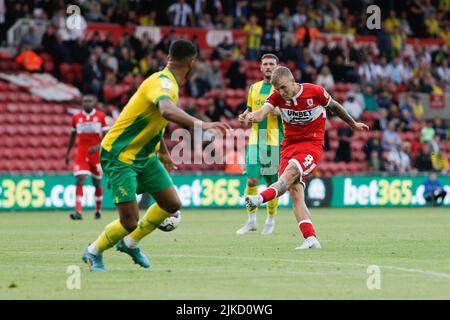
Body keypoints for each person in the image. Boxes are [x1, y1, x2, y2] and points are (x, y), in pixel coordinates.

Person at [81, 39, 230, 272]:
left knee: (171, 204)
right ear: (192, 61)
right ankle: (93, 252)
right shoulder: (163, 83)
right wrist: (203, 124)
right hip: (120, 155)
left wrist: (163, 151)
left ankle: (130, 244)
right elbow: (166, 111)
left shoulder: (165, 82)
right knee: (129, 221)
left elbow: (154, 121)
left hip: (145, 155)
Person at [242, 66, 369, 250]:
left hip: (311, 145)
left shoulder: (315, 92)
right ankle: (311, 239)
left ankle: (259, 199)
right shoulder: (277, 96)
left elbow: (335, 107)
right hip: (288, 146)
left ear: (293, 81)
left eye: (284, 87)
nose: (282, 93)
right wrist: (254, 115)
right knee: (294, 193)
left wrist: (353, 124)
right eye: (279, 89)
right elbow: (263, 112)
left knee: (288, 175)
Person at [236, 53, 283, 236]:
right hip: (256, 140)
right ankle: (251, 221)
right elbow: (249, 109)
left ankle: (270, 220)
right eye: (266, 64)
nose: (269, 67)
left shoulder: (282, 89)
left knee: (272, 183)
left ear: (277, 67)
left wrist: (275, 111)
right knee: (252, 180)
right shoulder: (254, 88)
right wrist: (244, 115)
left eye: (272, 64)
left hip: (274, 141)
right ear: (261, 67)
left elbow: (286, 112)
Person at [65, 95, 109, 220]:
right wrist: (68, 153)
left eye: (90, 101)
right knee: (80, 179)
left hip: (96, 156)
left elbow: (107, 136)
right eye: (85, 101)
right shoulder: (76, 118)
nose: (87, 103)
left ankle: (98, 210)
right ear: (82, 103)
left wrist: (98, 146)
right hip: (81, 154)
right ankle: (78, 211)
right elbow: (72, 136)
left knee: (97, 182)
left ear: (93, 102)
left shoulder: (101, 117)